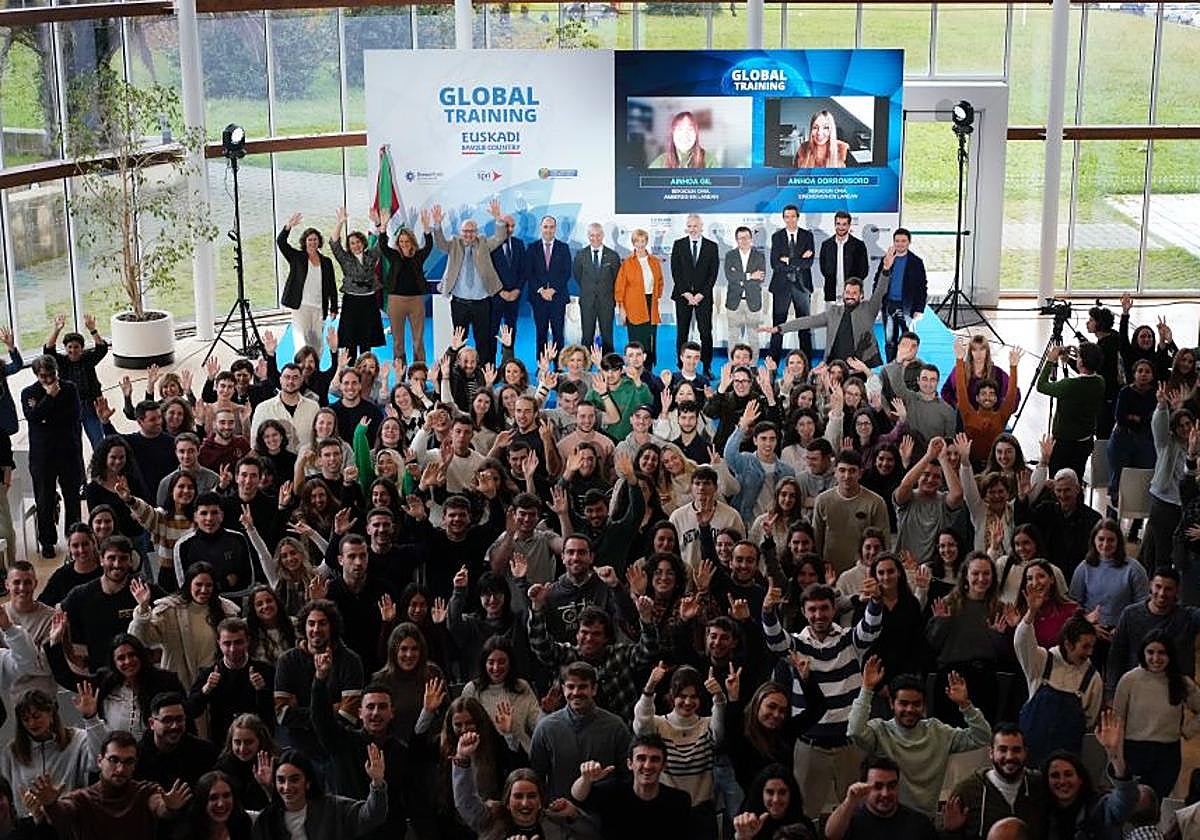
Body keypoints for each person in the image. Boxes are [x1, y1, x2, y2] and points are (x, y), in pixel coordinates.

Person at [762, 582, 881, 818]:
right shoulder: (796, 644)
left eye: (824, 608)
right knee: (803, 814)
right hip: (809, 746)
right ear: (804, 612)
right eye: (812, 609)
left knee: (858, 813)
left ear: (834, 609)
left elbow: (870, 629)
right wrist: (767, 611)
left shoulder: (850, 640)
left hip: (850, 745)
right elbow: (775, 641)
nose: (819, 615)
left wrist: (876, 602)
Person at [848, 660, 992, 816]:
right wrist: (867, 689)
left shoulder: (939, 732)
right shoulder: (880, 730)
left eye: (916, 704)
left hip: (924, 821)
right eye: (903, 703)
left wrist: (965, 705)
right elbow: (854, 731)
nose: (909, 709)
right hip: (886, 817)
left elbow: (982, 736)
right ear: (891, 703)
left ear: (923, 706)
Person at [27, 730, 192, 840]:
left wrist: (170, 807)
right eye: (114, 760)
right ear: (100, 761)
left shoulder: (145, 792)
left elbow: (159, 805)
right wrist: (50, 804)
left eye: (128, 762)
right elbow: (63, 814)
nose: (120, 769)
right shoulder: (82, 798)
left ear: (135, 765)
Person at [1112, 629, 1200, 799]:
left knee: (1157, 803)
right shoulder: (1129, 680)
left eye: (1162, 653)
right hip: (1134, 751)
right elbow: (1117, 721)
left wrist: (1186, 731)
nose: (1156, 658)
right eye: (1150, 652)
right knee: (1132, 803)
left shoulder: (1181, 682)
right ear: (1142, 653)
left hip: (1167, 753)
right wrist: (1116, 757)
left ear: (1170, 655)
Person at [529, 662, 632, 800]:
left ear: (594, 689)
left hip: (604, 813)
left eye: (582, 686)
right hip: (559, 814)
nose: (576, 693)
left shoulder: (616, 727)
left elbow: (627, 776)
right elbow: (536, 778)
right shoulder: (545, 728)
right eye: (571, 687)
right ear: (563, 689)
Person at [250, 746, 388, 840]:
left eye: (294, 780)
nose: (287, 787)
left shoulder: (333, 808)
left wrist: (377, 782)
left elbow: (371, 816)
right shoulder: (267, 819)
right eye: (281, 780)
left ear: (308, 782)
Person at [452, 740, 578, 840]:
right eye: (518, 796)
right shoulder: (490, 820)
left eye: (532, 796)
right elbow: (465, 801)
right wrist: (462, 759)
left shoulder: (555, 828)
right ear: (507, 801)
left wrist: (574, 816)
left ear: (540, 801)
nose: (525, 803)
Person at [572, 735, 692, 840]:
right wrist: (586, 779)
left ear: (663, 766)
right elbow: (578, 797)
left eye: (655, 759)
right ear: (630, 764)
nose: (647, 765)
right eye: (641, 758)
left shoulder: (678, 801)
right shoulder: (612, 793)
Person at [21, 354, 83, 558]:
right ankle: (47, 541)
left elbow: (73, 416)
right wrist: (50, 398)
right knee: (44, 500)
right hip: (43, 457)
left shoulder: (70, 388)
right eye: (44, 376)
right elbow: (33, 417)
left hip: (68, 453)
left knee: (72, 499)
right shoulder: (28, 393)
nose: (49, 380)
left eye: (52, 375)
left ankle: (74, 538)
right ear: (37, 375)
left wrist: (46, 415)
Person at [1042, 709, 1137, 840]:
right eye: (1055, 776)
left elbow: (1126, 800)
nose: (1062, 781)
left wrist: (1116, 756)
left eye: (1068, 774)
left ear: (1080, 778)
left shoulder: (1100, 807)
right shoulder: (1040, 811)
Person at [943, 725, 1050, 840]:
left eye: (1016, 750)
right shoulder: (967, 791)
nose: (1009, 757)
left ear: (1025, 752)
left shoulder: (1040, 785)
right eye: (1003, 750)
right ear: (991, 753)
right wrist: (951, 831)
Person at [762, 274, 890, 369]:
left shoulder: (868, 309)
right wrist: (780, 328)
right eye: (847, 292)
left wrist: (885, 270)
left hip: (861, 366)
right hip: (834, 366)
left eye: (854, 293)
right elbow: (808, 321)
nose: (850, 296)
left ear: (861, 295)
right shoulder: (833, 312)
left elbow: (880, 291)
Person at [184, 617, 274, 746]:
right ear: (219, 643)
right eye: (227, 643)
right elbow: (191, 710)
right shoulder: (208, 673)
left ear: (247, 641)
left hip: (257, 742)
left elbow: (273, 714)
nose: (233, 649)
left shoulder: (265, 671)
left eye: (238, 642)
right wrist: (206, 689)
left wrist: (262, 691)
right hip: (221, 743)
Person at [1037, 342, 1107, 480]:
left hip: (1063, 443)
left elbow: (1041, 386)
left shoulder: (1068, 385)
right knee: (1076, 479)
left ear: (1081, 361)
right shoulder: (1100, 382)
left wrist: (1050, 360)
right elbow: (1086, 375)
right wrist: (1069, 360)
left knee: (1057, 479)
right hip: (1085, 441)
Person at [823, 756, 937, 840]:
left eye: (892, 786)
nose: (885, 793)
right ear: (864, 788)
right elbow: (831, 835)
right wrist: (850, 800)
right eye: (878, 786)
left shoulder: (919, 823)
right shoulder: (850, 822)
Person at [813, 450, 889, 574]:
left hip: (864, 574)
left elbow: (884, 544)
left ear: (860, 473)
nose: (847, 476)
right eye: (842, 470)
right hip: (830, 573)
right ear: (835, 472)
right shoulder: (822, 501)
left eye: (852, 471)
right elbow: (816, 541)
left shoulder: (876, 503)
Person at [42, 312, 107, 448]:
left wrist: (92, 330)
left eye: (76, 347)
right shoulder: (61, 362)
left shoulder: (88, 359)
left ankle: (100, 468)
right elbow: (48, 350)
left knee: (99, 441)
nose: (73, 350)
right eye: (69, 347)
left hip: (90, 405)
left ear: (82, 348)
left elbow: (101, 349)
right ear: (65, 348)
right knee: (73, 444)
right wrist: (57, 329)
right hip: (69, 406)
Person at [379, 210, 434, 366]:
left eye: (407, 241)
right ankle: (400, 374)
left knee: (418, 339)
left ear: (412, 242)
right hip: (396, 301)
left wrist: (427, 229)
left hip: (416, 301)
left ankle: (419, 371)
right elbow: (383, 246)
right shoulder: (394, 256)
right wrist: (383, 226)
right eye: (401, 241)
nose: (404, 244)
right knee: (398, 341)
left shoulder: (419, 256)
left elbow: (429, 246)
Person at [277, 212, 338, 354]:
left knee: (317, 344)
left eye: (315, 240)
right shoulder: (296, 257)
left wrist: (334, 307)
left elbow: (331, 287)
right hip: (301, 306)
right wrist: (288, 226)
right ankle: (300, 371)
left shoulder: (326, 262)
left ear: (319, 242)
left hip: (318, 307)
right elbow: (281, 243)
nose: (312, 242)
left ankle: (314, 370)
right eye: (310, 240)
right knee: (301, 341)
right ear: (305, 242)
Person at [329, 206, 384, 361]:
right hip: (351, 302)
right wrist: (340, 222)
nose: (356, 245)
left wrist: (379, 224)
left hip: (368, 302)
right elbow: (334, 244)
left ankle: (366, 368)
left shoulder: (371, 256)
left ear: (363, 242)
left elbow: (382, 242)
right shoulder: (345, 259)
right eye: (352, 243)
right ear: (349, 246)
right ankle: (350, 369)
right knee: (350, 340)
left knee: (366, 340)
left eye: (358, 242)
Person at [133, 692, 219, 791]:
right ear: (152, 723)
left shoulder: (205, 752)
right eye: (167, 720)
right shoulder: (137, 756)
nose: (174, 726)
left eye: (179, 719)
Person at [671, 214, 720, 374]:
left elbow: (713, 274)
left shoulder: (712, 246)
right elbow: (675, 271)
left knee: (706, 333)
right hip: (682, 296)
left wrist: (700, 295)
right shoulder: (678, 245)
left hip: (703, 298)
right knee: (682, 332)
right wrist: (685, 293)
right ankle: (681, 366)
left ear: (701, 227)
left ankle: (706, 367)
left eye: (695, 226)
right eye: (690, 226)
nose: (692, 229)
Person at [768, 205, 816, 360]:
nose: (790, 220)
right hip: (781, 286)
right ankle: (773, 366)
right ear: (783, 218)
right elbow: (775, 264)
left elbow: (808, 263)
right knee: (778, 327)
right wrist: (799, 260)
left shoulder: (807, 236)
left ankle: (807, 365)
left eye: (793, 216)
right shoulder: (777, 236)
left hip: (802, 286)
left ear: (798, 217)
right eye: (786, 217)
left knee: (804, 327)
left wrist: (788, 259)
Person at [872, 230, 928, 362]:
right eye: (897, 241)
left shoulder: (916, 262)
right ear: (893, 242)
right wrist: (877, 302)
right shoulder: (887, 259)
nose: (900, 244)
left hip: (907, 307)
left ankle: (907, 368)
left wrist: (919, 309)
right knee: (890, 339)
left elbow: (922, 287)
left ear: (909, 242)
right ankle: (891, 367)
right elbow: (878, 280)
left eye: (903, 241)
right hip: (889, 305)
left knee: (908, 340)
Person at [523, 213, 572, 353]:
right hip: (538, 299)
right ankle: (541, 367)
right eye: (545, 227)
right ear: (541, 228)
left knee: (558, 334)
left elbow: (566, 272)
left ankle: (559, 367)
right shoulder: (532, 248)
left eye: (551, 227)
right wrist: (541, 290)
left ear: (555, 228)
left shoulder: (563, 248)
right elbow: (529, 273)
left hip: (558, 298)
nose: (548, 230)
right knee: (541, 334)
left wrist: (553, 290)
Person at [615, 228, 664, 367]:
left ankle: (648, 370)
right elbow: (620, 287)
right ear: (633, 243)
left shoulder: (654, 261)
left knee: (650, 340)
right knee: (636, 341)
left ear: (646, 242)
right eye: (637, 241)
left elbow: (660, 281)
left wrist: (656, 297)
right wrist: (621, 308)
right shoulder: (627, 263)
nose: (640, 244)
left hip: (651, 305)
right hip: (634, 307)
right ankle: (634, 369)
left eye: (643, 241)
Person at [249, 363, 321, 454]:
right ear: (280, 380)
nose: (291, 381)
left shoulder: (313, 407)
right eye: (287, 377)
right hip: (273, 464)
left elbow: (319, 437)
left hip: (306, 464)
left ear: (301, 380)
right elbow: (255, 441)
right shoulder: (263, 408)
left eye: (295, 377)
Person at [575, 222, 621, 355]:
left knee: (607, 336)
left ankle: (609, 368)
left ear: (603, 235)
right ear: (588, 236)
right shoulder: (580, 255)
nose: (595, 238)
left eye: (598, 235)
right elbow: (578, 276)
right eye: (592, 235)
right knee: (587, 336)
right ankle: (585, 367)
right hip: (587, 301)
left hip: (606, 302)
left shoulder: (612, 256)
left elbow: (617, 278)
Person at [489, 212, 525, 361]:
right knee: (492, 329)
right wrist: (500, 291)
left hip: (514, 297)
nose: (509, 229)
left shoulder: (518, 244)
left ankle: (508, 361)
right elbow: (488, 271)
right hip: (496, 296)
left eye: (512, 226)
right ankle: (490, 361)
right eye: (506, 225)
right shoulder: (491, 244)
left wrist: (517, 290)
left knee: (511, 328)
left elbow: (523, 270)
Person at [724, 225, 767, 349]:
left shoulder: (759, 256)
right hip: (734, 301)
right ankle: (732, 366)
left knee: (753, 336)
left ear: (751, 239)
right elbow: (730, 276)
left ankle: (753, 366)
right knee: (733, 336)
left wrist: (740, 277)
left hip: (753, 301)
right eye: (741, 238)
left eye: (747, 237)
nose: (744, 240)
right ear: (736, 240)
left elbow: (760, 278)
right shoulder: (730, 255)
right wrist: (749, 276)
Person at [819, 211, 870, 304]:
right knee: (831, 318)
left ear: (849, 225)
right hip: (831, 293)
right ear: (834, 224)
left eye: (844, 224)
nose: (841, 227)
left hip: (853, 295)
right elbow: (823, 269)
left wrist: (853, 287)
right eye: (838, 224)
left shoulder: (859, 245)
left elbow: (864, 270)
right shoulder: (826, 245)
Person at [650, 111, 715, 169]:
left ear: (696, 134)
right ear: (672, 134)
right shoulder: (659, 163)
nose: (685, 134)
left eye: (690, 129)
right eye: (680, 129)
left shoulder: (710, 161)